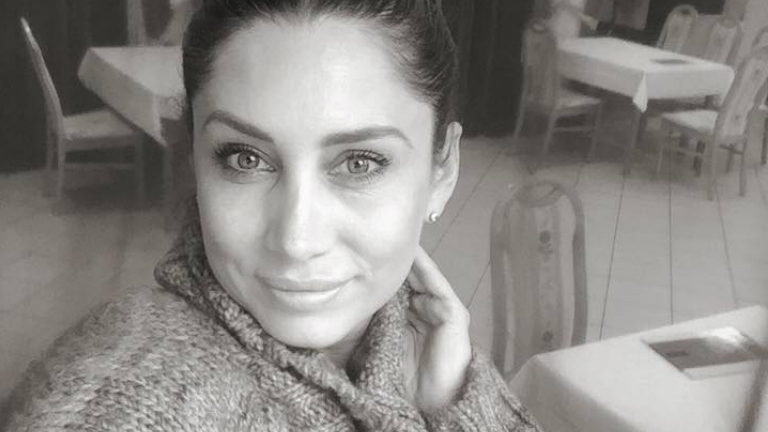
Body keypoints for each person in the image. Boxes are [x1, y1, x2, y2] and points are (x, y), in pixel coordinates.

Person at [1, 0, 542, 430]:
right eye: (245, 158)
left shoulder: (428, 348)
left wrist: (451, 403)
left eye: (359, 162)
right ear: (195, 159)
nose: (295, 239)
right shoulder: (130, 395)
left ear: (442, 172)